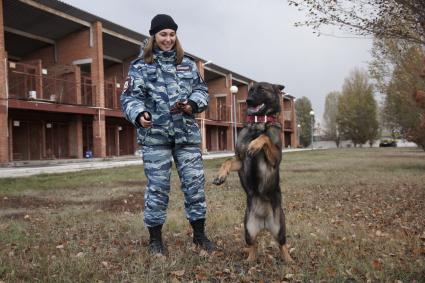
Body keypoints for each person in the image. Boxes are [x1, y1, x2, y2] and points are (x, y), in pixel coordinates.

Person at [120, 14, 214, 255]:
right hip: (155, 139)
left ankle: (200, 235)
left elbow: (202, 90)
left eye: (172, 34)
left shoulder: (188, 64)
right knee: (158, 189)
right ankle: (155, 241)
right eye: (163, 34)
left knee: (195, 186)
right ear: (154, 36)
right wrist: (140, 114)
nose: (168, 39)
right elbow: (129, 98)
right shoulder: (140, 67)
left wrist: (193, 104)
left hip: (186, 138)